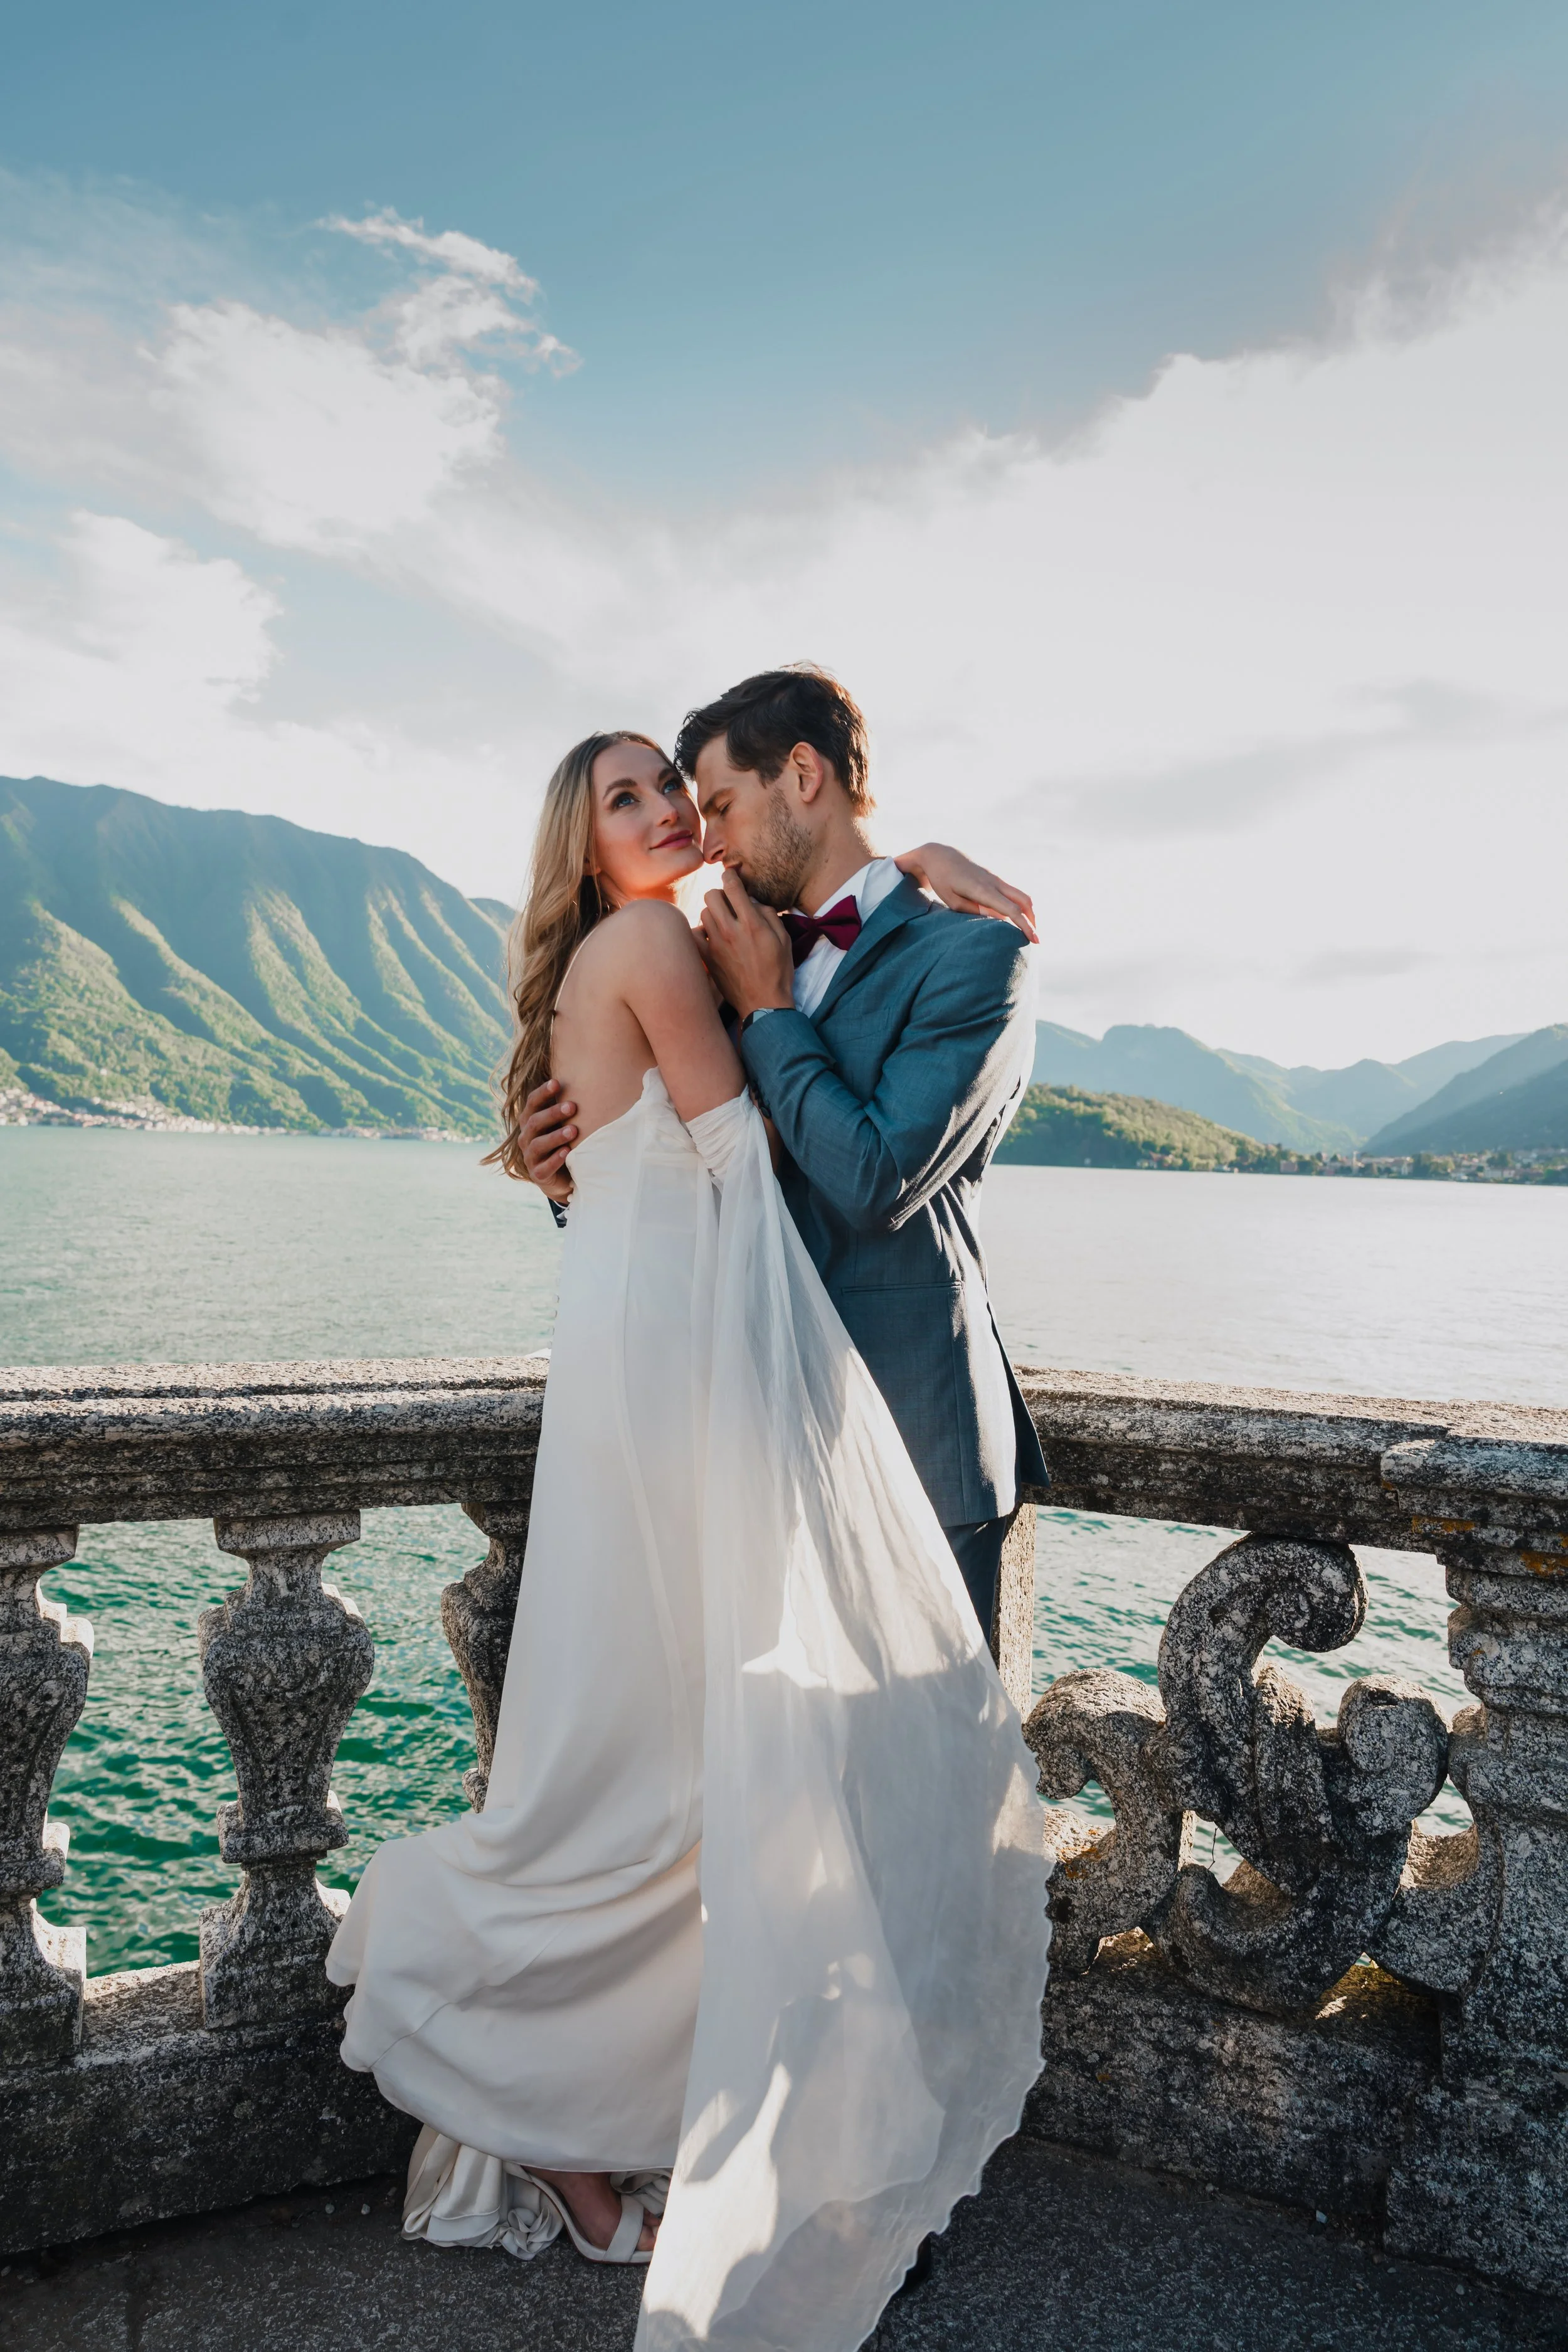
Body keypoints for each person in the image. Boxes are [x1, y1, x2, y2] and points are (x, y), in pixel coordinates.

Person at [326, 721, 1050, 2352]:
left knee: (685, 1767)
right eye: (639, 796)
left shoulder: (743, 942)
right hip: (688, 1388)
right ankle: (560, 2053)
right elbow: (741, 1151)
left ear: (784, 785)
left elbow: (684, 1160)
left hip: (669, 1370)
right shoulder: (668, 939)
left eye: (683, 786)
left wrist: (936, 886)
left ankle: (619, 2126)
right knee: (687, 1769)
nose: (672, 811)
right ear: (588, 848)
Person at [521, 665, 1051, 1639]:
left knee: (928, 1781)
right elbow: (680, 1156)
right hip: (753, 1441)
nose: (705, 835)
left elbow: (872, 1178)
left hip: (910, 1437)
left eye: (715, 802)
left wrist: (772, 1008)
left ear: (802, 775)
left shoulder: (975, 958)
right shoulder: (723, 951)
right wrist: (569, 1165)